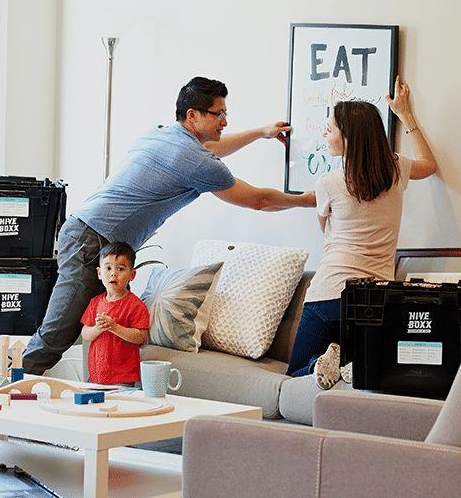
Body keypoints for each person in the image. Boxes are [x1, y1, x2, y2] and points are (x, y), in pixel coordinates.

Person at [23, 76, 316, 374]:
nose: (224, 122)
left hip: (83, 230)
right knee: (58, 332)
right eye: (219, 114)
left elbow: (211, 149)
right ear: (193, 115)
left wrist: (259, 133)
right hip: (93, 241)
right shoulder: (197, 161)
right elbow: (259, 200)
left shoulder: (162, 134)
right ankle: (7, 396)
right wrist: (307, 199)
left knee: (60, 329)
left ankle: (13, 387)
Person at [286, 76, 438, 389]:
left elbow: (326, 230)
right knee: (364, 372)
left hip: (327, 294)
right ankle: (349, 365)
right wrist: (405, 115)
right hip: (374, 298)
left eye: (331, 127)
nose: (325, 132)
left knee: (295, 374)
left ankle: (326, 364)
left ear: (349, 136)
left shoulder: (328, 183)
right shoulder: (396, 168)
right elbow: (429, 165)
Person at [80, 242, 150, 386]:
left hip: (123, 378)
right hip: (96, 376)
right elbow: (85, 334)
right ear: (100, 273)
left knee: (121, 407)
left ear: (132, 275)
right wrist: (97, 329)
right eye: (108, 268)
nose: (113, 273)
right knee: (94, 408)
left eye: (120, 269)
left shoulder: (135, 305)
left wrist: (115, 327)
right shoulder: (95, 303)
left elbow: (141, 336)